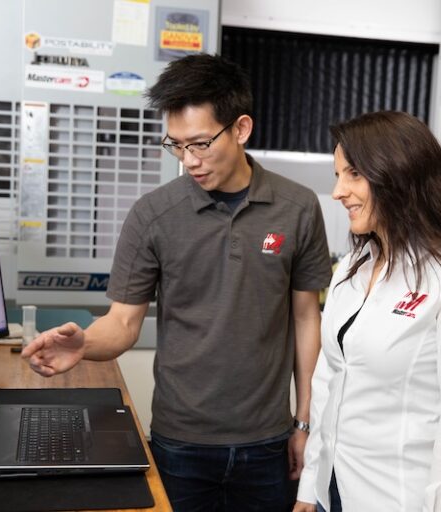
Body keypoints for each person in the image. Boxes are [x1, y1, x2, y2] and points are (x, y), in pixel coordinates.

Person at [22, 54, 333, 512]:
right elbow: (124, 323)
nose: (189, 160)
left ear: (241, 129)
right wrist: (85, 344)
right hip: (180, 444)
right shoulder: (153, 215)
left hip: (268, 441)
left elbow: (307, 319)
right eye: (177, 145)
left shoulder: (298, 207)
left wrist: (306, 424)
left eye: (201, 144)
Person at [293, 111, 441, 512]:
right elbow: (329, 382)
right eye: (338, 174)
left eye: (353, 174)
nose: (338, 191)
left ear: (398, 176)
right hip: (333, 490)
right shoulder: (350, 274)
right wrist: (311, 484)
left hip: (401, 499)